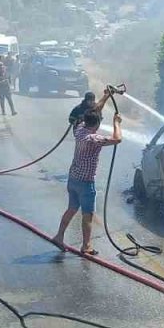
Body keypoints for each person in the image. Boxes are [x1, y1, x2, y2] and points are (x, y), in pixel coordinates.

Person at [52, 109, 122, 254]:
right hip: (85, 183)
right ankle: (86, 246)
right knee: (87, 215)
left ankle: (59, 236)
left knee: (71, 209)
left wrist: (106, 95)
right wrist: (116, 123)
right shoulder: (93, 139)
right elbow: (117, 139)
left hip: (73, 179)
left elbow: (95, 109)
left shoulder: (79, 130)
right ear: (96, 124)